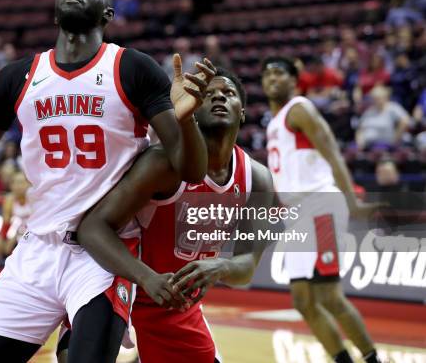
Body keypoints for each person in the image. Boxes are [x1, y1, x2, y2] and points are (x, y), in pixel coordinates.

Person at [0, 0, 214, 363]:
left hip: (102, 254)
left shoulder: (132, 68)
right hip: (35, 251)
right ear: (55, 14)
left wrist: (186, 122)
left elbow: (189, 170)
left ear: (107, 13)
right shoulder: (19, 76)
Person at [76, 68, 275, 362]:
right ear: (192, 107)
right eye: (207, 94)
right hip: (122, 291)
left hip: (176, 307)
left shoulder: (257, 179)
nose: (218, 95)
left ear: (242, 112)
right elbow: (92, 228)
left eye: (228, 93)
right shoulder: (162, 163)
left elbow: (246, 266)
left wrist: (219, 268)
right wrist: (147, 278)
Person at [261, 56, 382, 363]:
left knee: (329, 296)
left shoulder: (299, 109)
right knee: (303, 300)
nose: (273, 78)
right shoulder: (273, 122)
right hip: (297, 213)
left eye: (280, 73)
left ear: (294, 80)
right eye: (268, 74)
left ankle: (371, 359)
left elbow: (331, 152)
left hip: (319, 206)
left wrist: (351, 198)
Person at [356, 86, 411, 150]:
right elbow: (360, 129)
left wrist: (396, 138)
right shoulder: (370, 111)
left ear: (385, 97)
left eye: (377, 98)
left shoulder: (393, 108)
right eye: (373, 98)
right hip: (367, 144)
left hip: (385, 144)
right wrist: (359, 142)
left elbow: (405, 121)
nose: (375, 100)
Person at [0, 171, 31, 259]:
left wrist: (17, 237)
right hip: (18, 230)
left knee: (18, 241)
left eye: (21, 183)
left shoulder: (34, 198)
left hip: (33, 232)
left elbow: (36, 226)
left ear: (28, 184)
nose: (19, 186)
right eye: (16, 183)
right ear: (11, 186)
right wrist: (1, 237)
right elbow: (6, 223)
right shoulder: (9, 200)